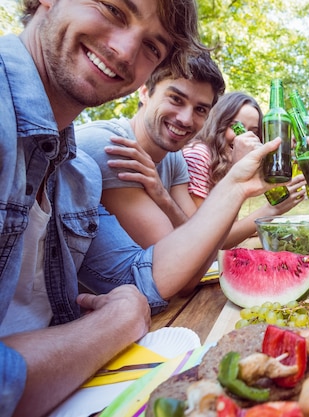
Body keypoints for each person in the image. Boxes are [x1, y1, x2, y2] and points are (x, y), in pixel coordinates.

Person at [1, 1, 283, 414]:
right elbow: (166, 274)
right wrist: (116, 321)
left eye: (153, 45)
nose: (125, 50)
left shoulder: (77, 171)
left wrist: (237, 186)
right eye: (113, 9)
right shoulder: (106, 149)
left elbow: (145, 275)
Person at [76, 50, 226, 249]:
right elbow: (177, 258)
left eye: (200, 109)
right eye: (176, 99)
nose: (186, 119)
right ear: (145, 93)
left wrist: (161, 195)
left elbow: (197, 233)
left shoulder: (174, 157)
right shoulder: (112, 145)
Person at [183, 91, 307, 248]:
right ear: (218, 124)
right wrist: (272, 210)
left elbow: (226, 230)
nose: (246, 138)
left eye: (254, 132)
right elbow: (213, 240)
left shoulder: (224, 163)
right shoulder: (198, 155)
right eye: (235, 126)